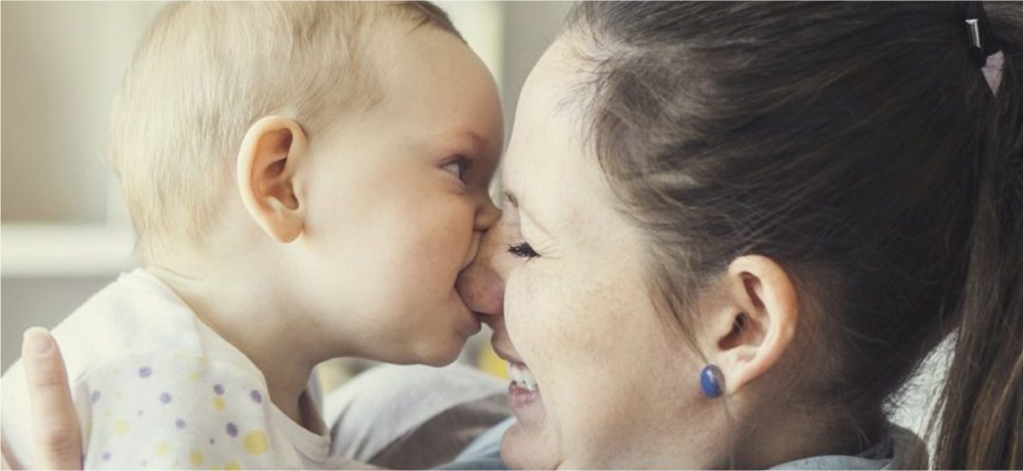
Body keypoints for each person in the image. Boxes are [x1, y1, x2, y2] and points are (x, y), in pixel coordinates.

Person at [7, 0, 1024, 470]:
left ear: (736, 322)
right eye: (464, 180)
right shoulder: (399, 422)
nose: (481, 271)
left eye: (528, 241)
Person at [0, 0, 505, 470]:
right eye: (460, 169)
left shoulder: (241, 379)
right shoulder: (171, 384)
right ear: (281, 181)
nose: (496, 219)